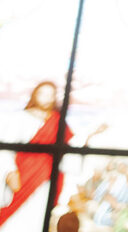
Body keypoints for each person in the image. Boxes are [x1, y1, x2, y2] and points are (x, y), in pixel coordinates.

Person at [0, 81, 73, 228]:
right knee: (13, 221)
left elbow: (68, 152)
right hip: (22, 177)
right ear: (35, 95)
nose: (46, 98)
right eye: (42, 93)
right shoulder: (20, 118)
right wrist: (10, 172)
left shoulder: (58, 123)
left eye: (50, 95)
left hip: (45, 182)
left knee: (37, 220)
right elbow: (6, 149)